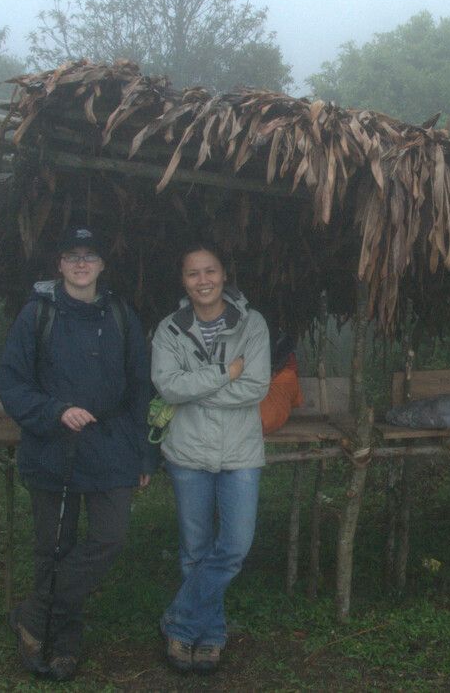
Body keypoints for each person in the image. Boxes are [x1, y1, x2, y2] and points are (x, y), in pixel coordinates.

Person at [0, 226, 153, 681]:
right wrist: (55, 411)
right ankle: (63, 638)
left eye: (90, 255)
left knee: (109, 537)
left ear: (102, 265)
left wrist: (145, 455)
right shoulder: (36, 315)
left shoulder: (122, 314)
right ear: (59, 265)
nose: (81, 263)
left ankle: (34, 612)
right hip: (52, 446)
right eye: (72, 255)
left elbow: (141, 388)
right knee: (54, 548)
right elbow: (12, 383)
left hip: (112, 445)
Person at [151, 241, 270, 674]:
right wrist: (224, 373)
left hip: (240, 452)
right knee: (195, 549)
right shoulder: (169, 329)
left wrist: (196, 390)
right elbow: (168, 387)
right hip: (188, 452)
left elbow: (256, 387)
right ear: (183, 281)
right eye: (193, 273)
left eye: (210, 271)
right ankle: (209, 635)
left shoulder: (252, 324)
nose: (203, 281)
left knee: (234, 547)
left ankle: (179, 622)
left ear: (224, 274)